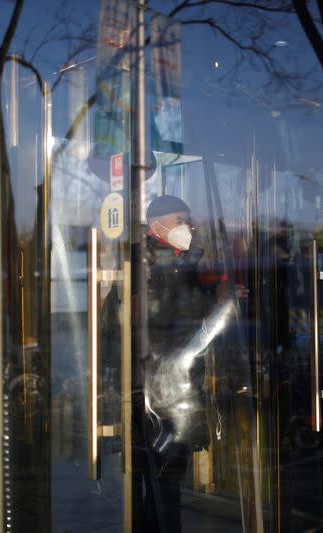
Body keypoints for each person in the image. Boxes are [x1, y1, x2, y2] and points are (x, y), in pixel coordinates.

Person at [139, 194, 232, 533]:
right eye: (180, 220)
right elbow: (166, 323)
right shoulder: (145, 266)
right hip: (156, 396)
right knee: (160, 488)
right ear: (156, 226)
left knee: (166, 489)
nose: (188, 228)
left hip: (175, 392)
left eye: (189, 221)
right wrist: (213, 302)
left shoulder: (184, 264)